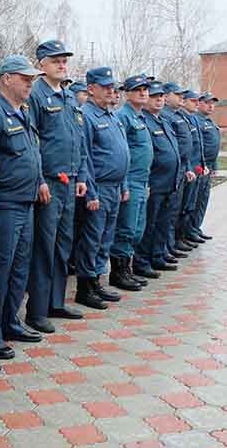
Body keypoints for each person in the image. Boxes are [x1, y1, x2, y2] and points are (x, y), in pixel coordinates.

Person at [0, 55, 45, 362]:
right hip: (5, 203)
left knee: (19, 269)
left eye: (32, 78)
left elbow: (32, 151)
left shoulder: (24, 112)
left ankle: (10, 322)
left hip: (27, 200)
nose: (30, 82)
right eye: (24, 77)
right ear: (5, 78)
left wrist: (40, 180)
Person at [25, 40, 88, 334]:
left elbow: (78, 141)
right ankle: (37, 311)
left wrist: (81, 177)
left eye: (64, 61)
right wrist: (39, 180)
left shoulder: (69, 97)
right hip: (49, 182)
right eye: (55, 61)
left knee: (63, 245)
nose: (62, 65)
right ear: (41, 65)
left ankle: (56, 302)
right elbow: (32, 141)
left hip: (70, 180)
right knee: (45, 247)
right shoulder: (36, 95)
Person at [74, 67, 134, 309]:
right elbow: (84, 156)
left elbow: (123, 153)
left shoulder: (110, 116)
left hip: (114, 187)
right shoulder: (86, 116)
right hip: (97, 187)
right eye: (106, 87)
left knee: (105, 238)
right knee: (92, 239)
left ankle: (97, 281)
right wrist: (91, 192)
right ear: (91, 89)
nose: (112, 91)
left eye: (113, 87)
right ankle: (85, 287)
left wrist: (124, 184)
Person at [133, 80, 181, 277]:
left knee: (163, 222)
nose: (159, 99)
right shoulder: (143, 121)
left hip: (169, 181)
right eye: (154, 96)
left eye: (161, 96)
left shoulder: (163, 120)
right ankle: (142, 262)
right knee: (149, 225)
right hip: (155, 182)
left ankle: (158, 255)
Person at [111, 75, 154, 288]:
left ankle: (127, 268)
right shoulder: (123, 117)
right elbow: (122, 153)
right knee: (126, 228)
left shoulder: (140, 117)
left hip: (141, 180)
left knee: (137, 228)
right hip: (130, 180)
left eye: (145, 88)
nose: (143, 92)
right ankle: (118, 273)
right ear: (127, 93)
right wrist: (125, 184)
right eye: (138, 89)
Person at [160, 82, 197, 258]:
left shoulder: (177, 115)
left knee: (176, 209)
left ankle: (171, 244)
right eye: (178, 94)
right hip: (171, 171)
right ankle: (166, 246)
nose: (182, 97)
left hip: (182, 167)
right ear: (167, 97)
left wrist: (188, 167)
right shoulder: (165, 116)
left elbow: (184, 146)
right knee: (169, 211)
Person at [179, 90, 207, 246]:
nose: (197, 103)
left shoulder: (193, 119)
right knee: (184, 206)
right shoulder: (181, 119)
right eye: (193, 101)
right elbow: (184, 148)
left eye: (198, 101)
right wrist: (189, 167)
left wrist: (203, 165)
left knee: (192, 204)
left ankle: (187, 233)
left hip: (196, 168)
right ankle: (180, 238)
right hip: (188, 169)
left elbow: (199, 145)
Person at [192, 92, 221, 239]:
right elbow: (199, 146)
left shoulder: (209, 121)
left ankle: (196, 228)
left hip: (209, 166)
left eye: (213, 103)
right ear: (199, 103)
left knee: (203, 200)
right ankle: (190, 230)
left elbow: (214, 147)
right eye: (207, 102)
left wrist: (215, 166)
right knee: (195, 201)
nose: (211, 106)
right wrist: (202, 166)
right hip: (200, 167)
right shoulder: (196, 120)